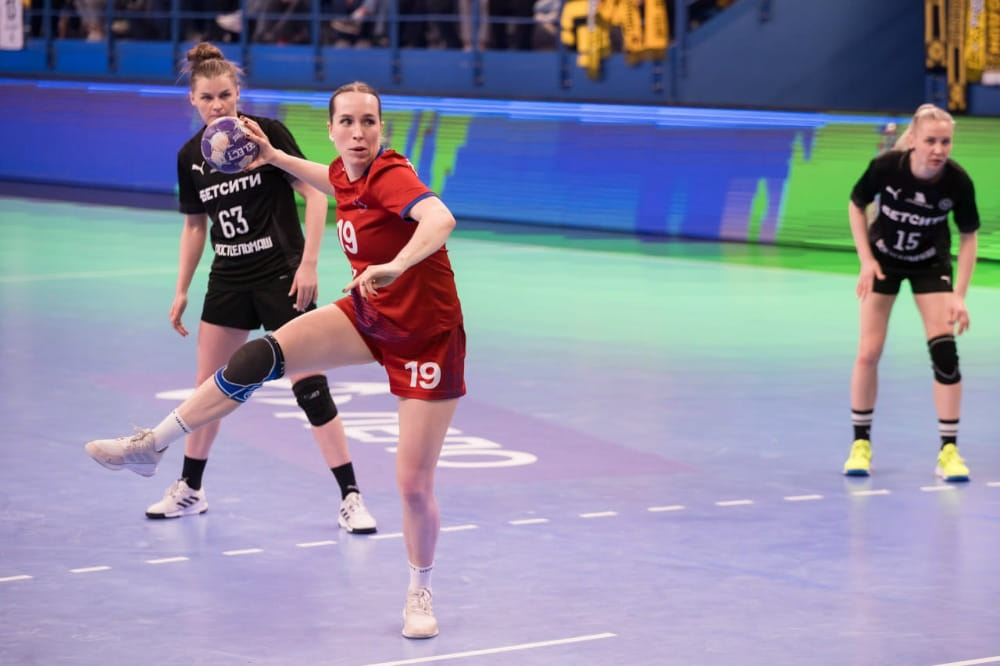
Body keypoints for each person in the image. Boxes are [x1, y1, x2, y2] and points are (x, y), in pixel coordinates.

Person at [85, 80, 466, 639]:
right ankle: (152, 446)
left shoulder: (388, 173)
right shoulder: (347, 172)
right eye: (347, 122)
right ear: (331, 130)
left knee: (411, 483)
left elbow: (439, 219)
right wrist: (274, 156)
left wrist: (397, 264)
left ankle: (419, 591)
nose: (358, 132)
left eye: (368, 121)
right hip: (370, 316)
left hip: (427, 338)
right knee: (263, 355)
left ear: (380, 128)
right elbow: (328, 179)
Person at [111, 42, 377, 535]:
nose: (218, 106)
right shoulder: (191, 157)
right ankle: (190, 489)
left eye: (225, 95)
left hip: (281, 275)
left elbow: (318, 195)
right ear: (193, 100)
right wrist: (182, 290)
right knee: (209, 389)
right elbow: (195, 226)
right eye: (207, 98)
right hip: (229, 279)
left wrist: (309, 265)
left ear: (238, 94)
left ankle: (351, 495)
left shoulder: (266, 135)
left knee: (310, 387)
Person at [843, 103, 980, 482]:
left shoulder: (957, 182)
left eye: (945, 142)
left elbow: (969, 237)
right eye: (931, 141)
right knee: (868, 352)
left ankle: (949, 451)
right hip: (883, 261)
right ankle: (860, 445)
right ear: (914, 140)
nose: (939, 149)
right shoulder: (887, 168)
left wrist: (959, 295)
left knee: (945, 353)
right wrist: (865, 259)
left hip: (929, 264)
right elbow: (857, 205)